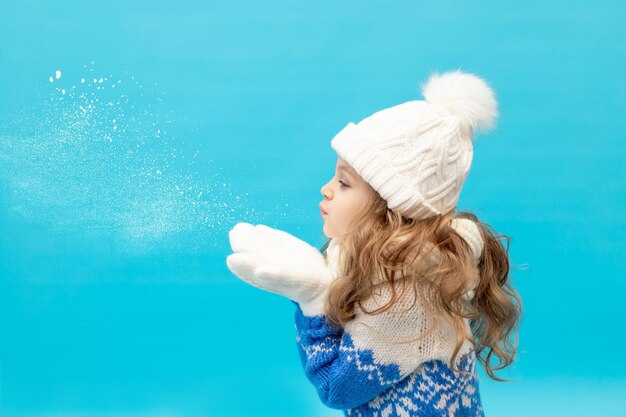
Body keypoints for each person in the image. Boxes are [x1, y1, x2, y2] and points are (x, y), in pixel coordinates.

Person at [226, 69, 522, 416]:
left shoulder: (405, 293)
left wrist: (313, 302)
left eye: (345, 182)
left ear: (389, 209)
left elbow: (338, 388)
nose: (327, 188)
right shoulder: (399, 269)